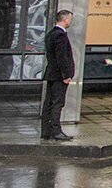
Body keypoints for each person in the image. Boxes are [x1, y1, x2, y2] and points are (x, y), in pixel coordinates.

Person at [41, 9, 76, 141]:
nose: (70, 21)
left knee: (48, 103)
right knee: (57, 103)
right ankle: (56, 131)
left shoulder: (51, 34)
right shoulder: (60, 35)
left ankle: (46, 131)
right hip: (59, 76)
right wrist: (66, 75)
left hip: (51, 74)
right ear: (65, 19)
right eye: (70, 19)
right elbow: (62, 57)